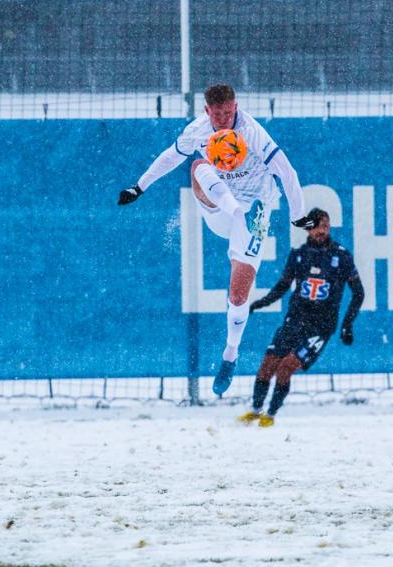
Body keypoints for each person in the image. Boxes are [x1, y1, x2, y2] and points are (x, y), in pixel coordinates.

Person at [117, 84, 314, 396]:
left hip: (256, 212)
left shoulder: (252, 133)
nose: (224, 117)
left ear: (235, 106)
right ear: (207, 111)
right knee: (197, 166)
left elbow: (286, 172)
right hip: (220, 207)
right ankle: (235, 211)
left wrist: (297, 215)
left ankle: (230, 355)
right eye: (217, 113)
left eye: (229, 111)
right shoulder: (198, 131)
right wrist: (139, 187)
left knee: (238, 297)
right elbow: (171, 157)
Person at [240, 208, 365, 427]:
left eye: (325, 225)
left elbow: (358, 292)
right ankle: (255, 411)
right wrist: (260, 303)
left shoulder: (341, 256)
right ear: (308, 229)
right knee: (268, 364)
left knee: (286, 366)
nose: (321, 230)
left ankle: (269, 416)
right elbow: (283, 286)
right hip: (294, 320)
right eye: (316, 226)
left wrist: (347, 324)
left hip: (320, 327)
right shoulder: (298, 255)